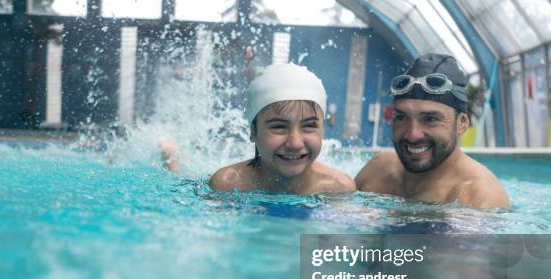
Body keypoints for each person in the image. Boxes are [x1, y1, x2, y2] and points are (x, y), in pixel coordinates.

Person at [355, 54, 509, 209]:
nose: (413, 134)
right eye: (402, 117)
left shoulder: (477, 197)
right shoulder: (377, 169)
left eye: (430, 119)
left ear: (461, 123)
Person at [209, 63, 355, 194]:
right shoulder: (227, 186)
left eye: (309, 125)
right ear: (253, 131)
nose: (295, 143)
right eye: (279, 127)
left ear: (322, 130)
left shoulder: (339, 189)